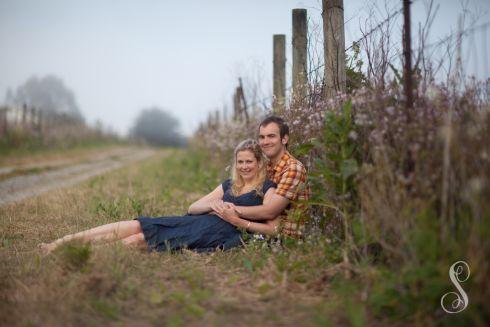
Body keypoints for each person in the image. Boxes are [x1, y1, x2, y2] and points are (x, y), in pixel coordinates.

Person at [38, 139, 279, 254]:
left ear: (259, 163)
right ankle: (60, 243)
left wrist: (235, 216)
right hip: (196, 221)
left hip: (217, 235)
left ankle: (79, 255)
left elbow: (273, 227)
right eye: (241, 162)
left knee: (136, 240)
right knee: (136, 225)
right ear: (236, 163)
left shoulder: (267, 188)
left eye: (250, 161)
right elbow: (193, 207)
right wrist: (218, 205)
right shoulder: (228, 184)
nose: (245, 166)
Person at [214, 116, 310, 237]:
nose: (265, 142)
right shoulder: (267, 167)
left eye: (271, 136)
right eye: (262, 137)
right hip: (258, 230)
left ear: (284, 139)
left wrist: (232, 211)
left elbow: (270, 211)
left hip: (284, 238)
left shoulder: (292, 168)